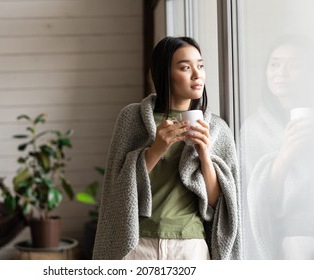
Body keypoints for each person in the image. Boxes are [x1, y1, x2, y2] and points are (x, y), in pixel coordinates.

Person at [93, 36, 242, 260]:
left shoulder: (216, 128)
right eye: (185, 67)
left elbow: (218, 203)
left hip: (190, 246)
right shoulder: (132, 119)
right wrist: (156, 149)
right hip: (138, 243)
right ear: (164, 73)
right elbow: (118, 189)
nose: (196, 74)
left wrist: (204, 154)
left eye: (200, 66)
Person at [240, 34, 314, 259]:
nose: (281, 72)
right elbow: (254, 197)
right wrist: (286, 153)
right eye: (274, 64)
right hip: (293, 238)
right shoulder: (255, 129)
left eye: (294, 65)